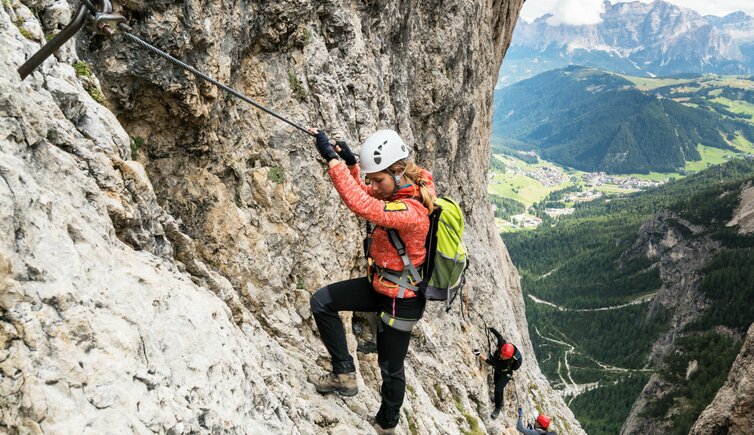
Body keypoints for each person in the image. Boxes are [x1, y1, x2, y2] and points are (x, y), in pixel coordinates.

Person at [308, 129, 436, 434]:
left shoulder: (412, 211)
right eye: (372, 178)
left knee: (390, 369)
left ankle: (386, 425)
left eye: (378, 179)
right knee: (322, 302)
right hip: (380, 284)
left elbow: (363, 205)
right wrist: (351, 163)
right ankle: (345, 375)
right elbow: (369, 195)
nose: (373, 185)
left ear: (398, 171)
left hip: (400, 300)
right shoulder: (401, 188)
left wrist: (332, 161)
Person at [472, 327, 522, 419]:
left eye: (505, 357)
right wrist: (490, 328)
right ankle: (501, 400)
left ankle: (498, 408)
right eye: (502, 355)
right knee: (497, 384)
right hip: (498, 371)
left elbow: (490, 361)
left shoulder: (505, 362)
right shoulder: (503, 345)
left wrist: (479, 354)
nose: (503, 357)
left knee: (498, 389)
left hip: (506, 373)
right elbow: (499, 336)